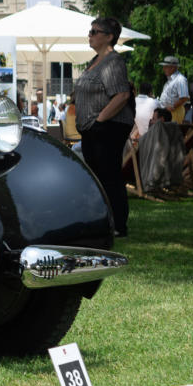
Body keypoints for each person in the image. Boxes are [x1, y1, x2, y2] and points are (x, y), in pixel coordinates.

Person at [72, 17, 134, 237]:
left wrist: (99, 121)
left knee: (109, 175)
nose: (89, 35)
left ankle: (118, 225)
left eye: (94, 31)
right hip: (92, 129)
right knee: (97, 177)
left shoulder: (113, 62)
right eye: (90, 31)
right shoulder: (95, 61)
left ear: (109, 37)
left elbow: (122, 95)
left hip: (108, 128)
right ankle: (101, 220)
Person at [157, 55, 189, 123]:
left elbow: (184, 97)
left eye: (166, 67)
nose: (163, 69)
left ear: (173, 67)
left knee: (171, 129)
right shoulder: (170, 80)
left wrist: (172, 106)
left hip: (174, 112)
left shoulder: (180, 80)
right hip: (168, 112)